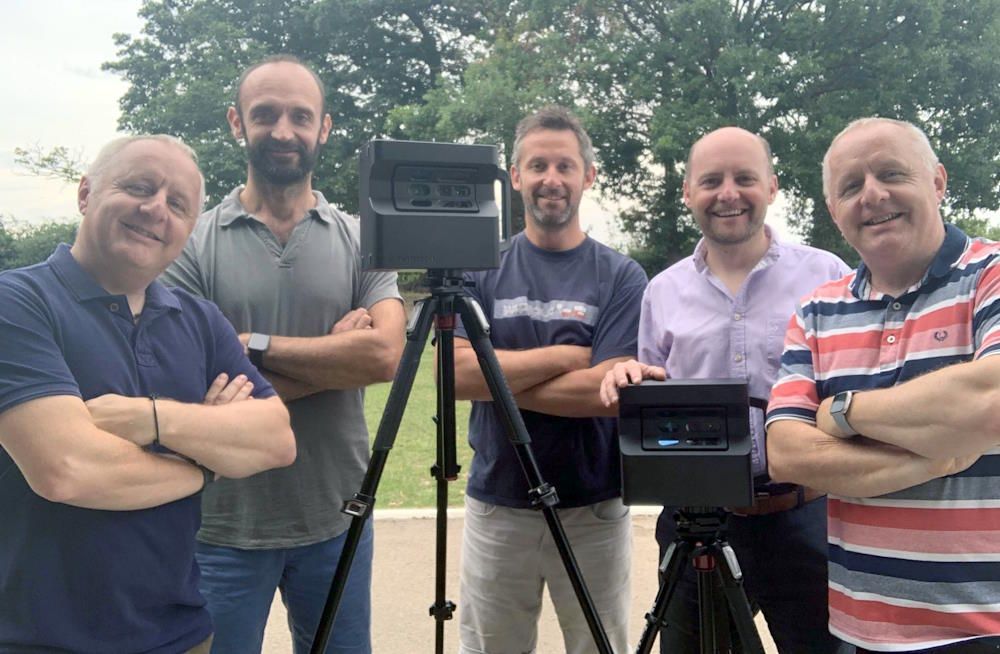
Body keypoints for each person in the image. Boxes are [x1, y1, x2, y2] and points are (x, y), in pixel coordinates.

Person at [0, 135, 296, 653]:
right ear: (86, 193)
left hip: (182, 635)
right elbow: (67, 469)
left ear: (189, 229)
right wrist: (205, 464)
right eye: (139, 187)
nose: (156, 209)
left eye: (178, 204)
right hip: (36, 639)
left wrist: (154, 420)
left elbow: (275, 440)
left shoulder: (200, 319)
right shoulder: (18, 303)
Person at [161, 54, 404, 654]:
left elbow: (383, 357)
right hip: (221, 524)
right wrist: (336, 358)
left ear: (325, 128)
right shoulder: (190, 245)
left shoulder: (364, 240)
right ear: (236, 122)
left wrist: (246, 347)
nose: (283, 130)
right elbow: (187, 385)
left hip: (336, 517)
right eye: (265, 114)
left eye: (301, 116)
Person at [599, 126, 849, 652]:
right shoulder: (662, 291)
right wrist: (631, 381)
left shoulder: (827, 276)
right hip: (697, 520)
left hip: (806, 516)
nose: (728, 193)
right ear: (688, 192)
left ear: (772, 186)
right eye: (711, 180)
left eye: (745, 178)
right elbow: (655, 402)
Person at [766, 117, 1000, 653]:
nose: (872, 195)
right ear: (834, 211)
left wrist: (842, 412)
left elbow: (990, 402)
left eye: (891, 174)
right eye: (851, 186)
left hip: (985, 627)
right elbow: (786, 453)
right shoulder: (817, 310)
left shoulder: (990, 275)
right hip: (862, 631)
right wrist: (934, 459)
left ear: (937, 181)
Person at [452, 105, 648, 654]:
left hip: (594, 506)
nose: (551, 179)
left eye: (565, 166)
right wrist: (569, 355)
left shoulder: (622, 276)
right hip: (499, 503)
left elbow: (607, 394)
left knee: (600, 647)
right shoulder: (479, 267)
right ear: (515, 176)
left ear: (589, 176)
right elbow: (458, 374)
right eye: (538, 166)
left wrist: (498, 378)